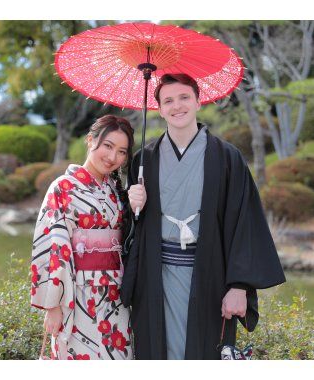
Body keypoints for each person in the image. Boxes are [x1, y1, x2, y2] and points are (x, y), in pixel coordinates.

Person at [121, 73, 286, 360]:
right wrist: (134, 205)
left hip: (210, 276)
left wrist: (239, 286)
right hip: (155, 278)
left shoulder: (227, 157)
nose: (177, 106)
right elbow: (128, 231)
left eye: (184, 97)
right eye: (168, 100)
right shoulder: (143, 160)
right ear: (159, 109)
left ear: (198, 101)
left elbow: (245, 223)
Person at [31, 115, 134, 360]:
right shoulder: (63, 187)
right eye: (107, 146)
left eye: (122, 152)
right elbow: (53, 247)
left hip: (117, 296)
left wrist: (135, 204)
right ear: (90, 141)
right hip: (77, 294)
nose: (112, 158)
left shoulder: (116, 191)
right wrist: (52, 305)